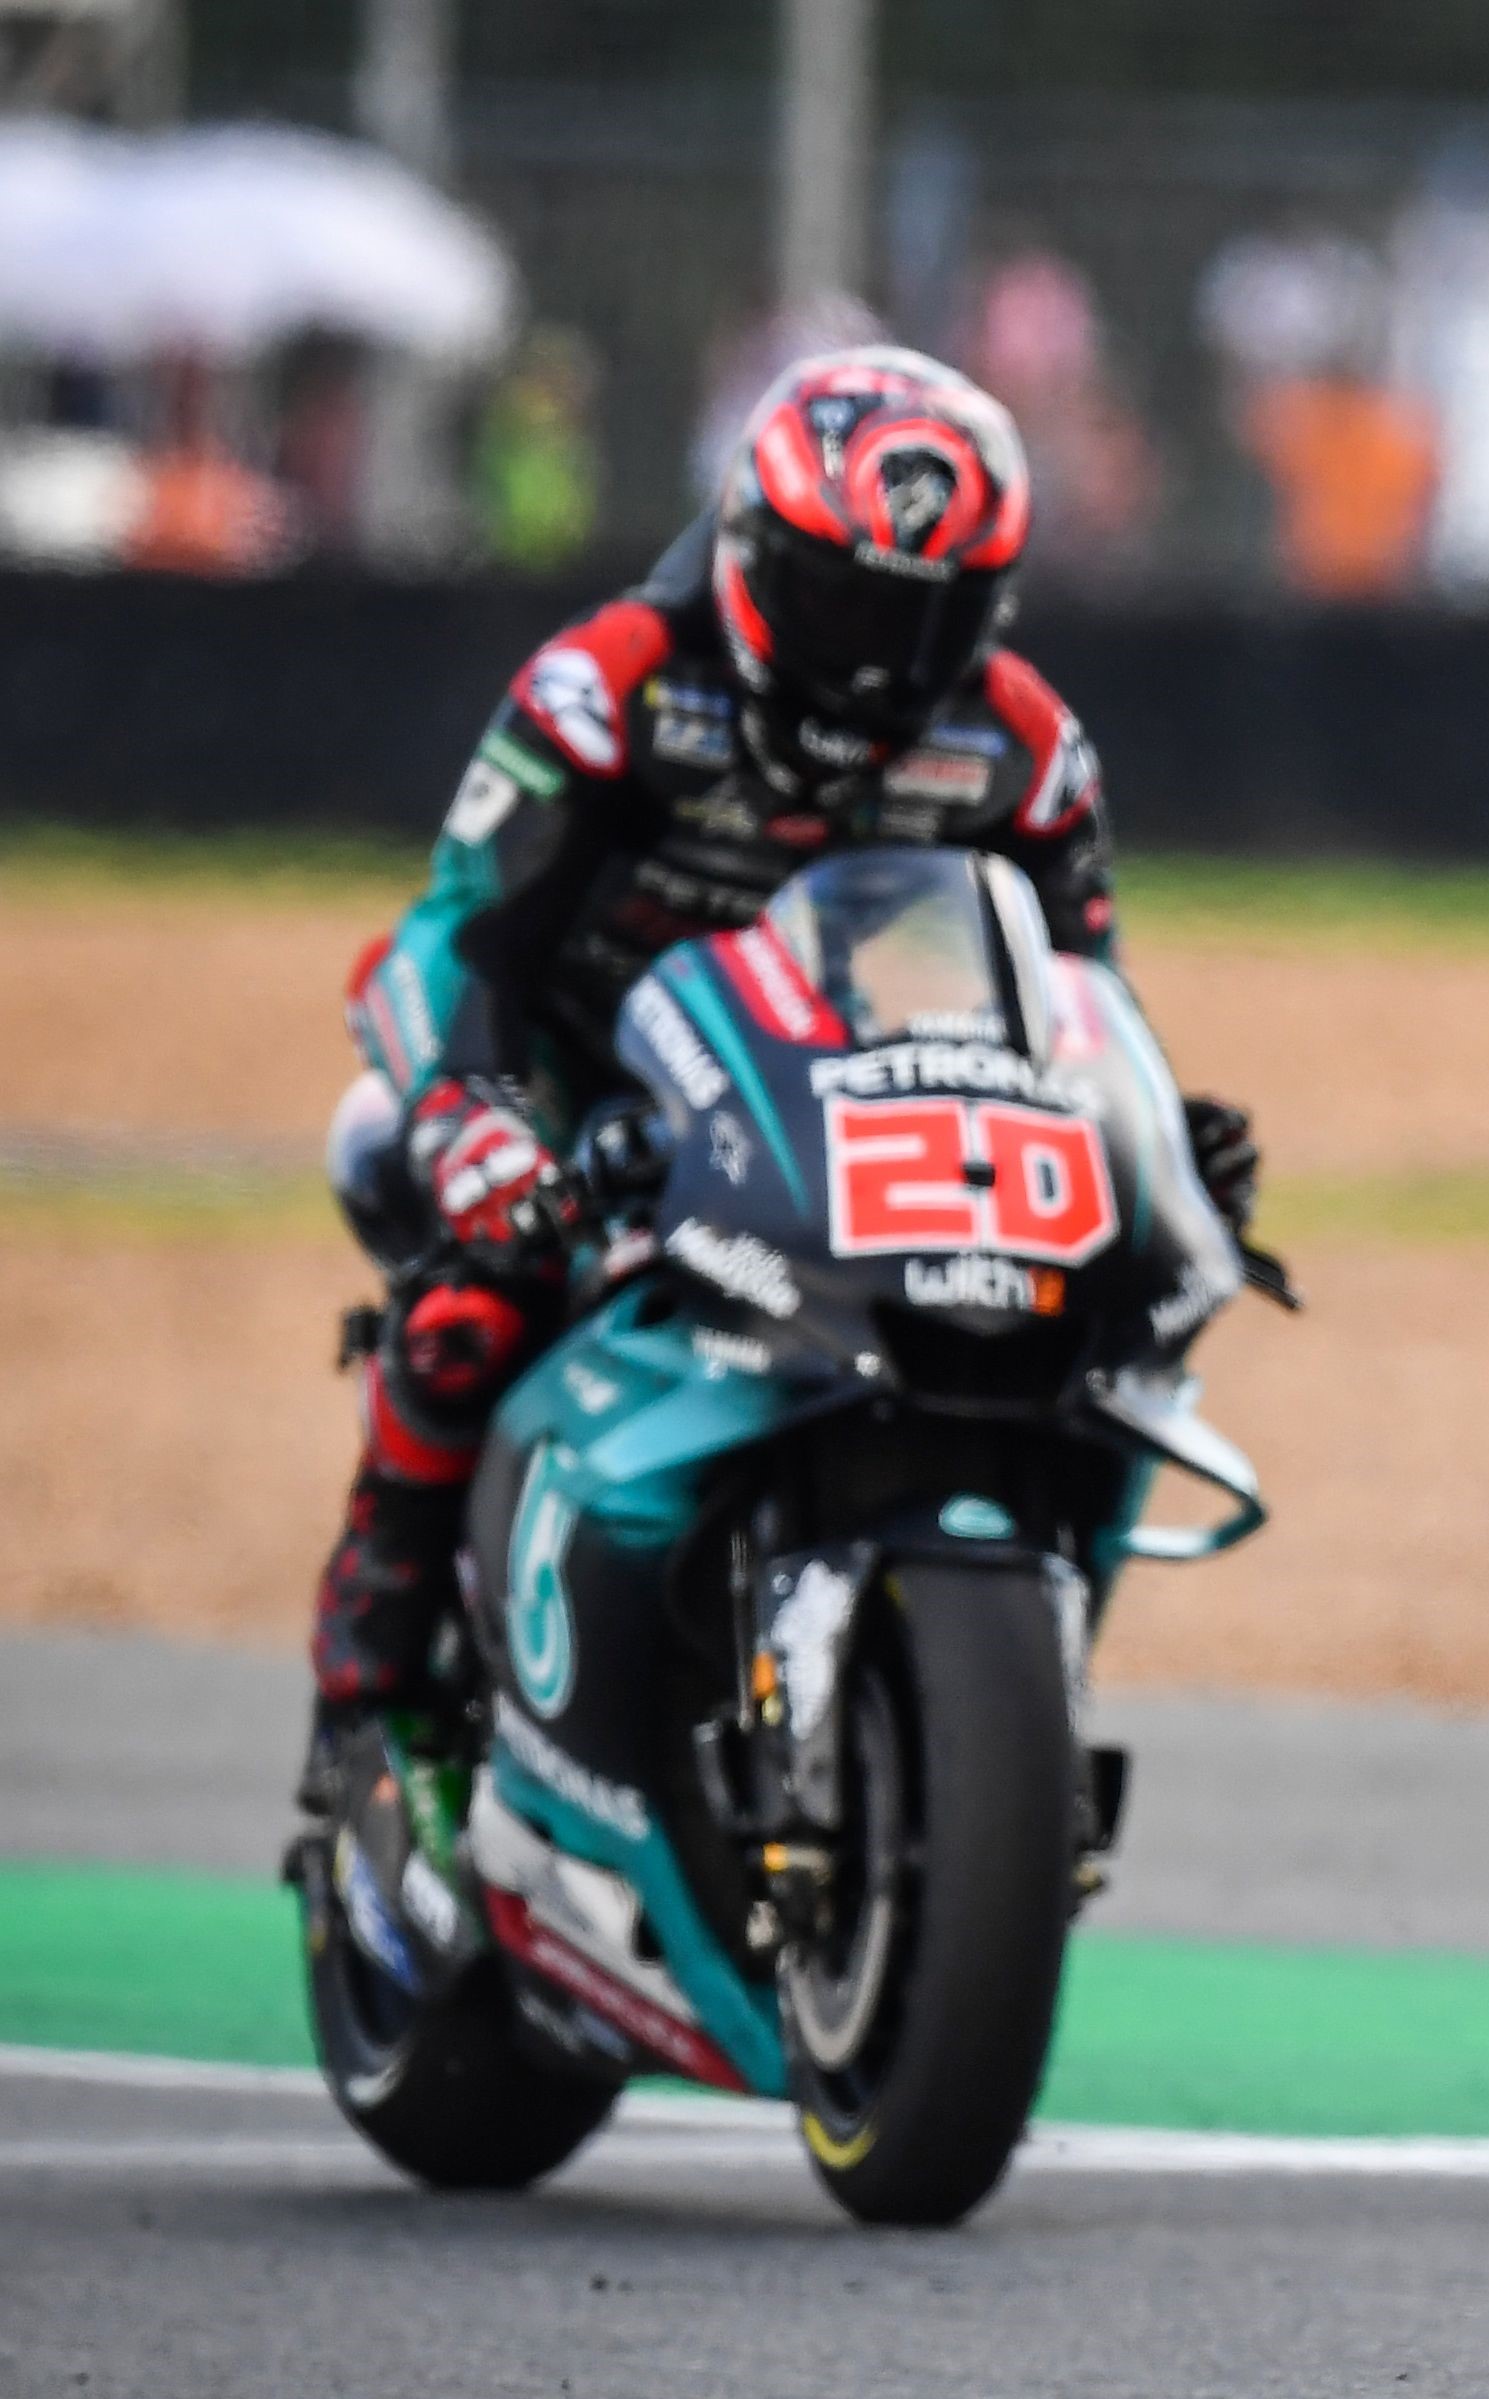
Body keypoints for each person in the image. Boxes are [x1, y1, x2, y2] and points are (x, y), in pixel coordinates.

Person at [306, 345, 1267, 1770]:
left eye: (925, 617)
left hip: (836, 1098)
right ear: (752, 551)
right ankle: (367, 1688)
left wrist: (1147, 1150)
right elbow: (464, 939)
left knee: (1070, 1342)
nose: (878, 656)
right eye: (840, 599)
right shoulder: (609, 686)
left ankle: (987, 1706)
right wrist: (483, 1125)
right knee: (474, 1307)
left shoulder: (1023, 748)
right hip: (576, 1084)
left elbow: (1074, 1000)